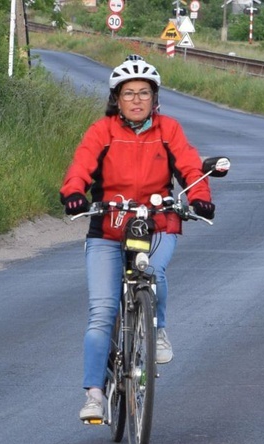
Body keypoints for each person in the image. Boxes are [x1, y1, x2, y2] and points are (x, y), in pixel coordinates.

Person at [59, 55, 215, 421]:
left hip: (156, 223)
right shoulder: (102, 131)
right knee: (101, 313)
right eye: (128, 93)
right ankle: (95, 393)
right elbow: (80, 166)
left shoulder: (168, 130)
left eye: (144, 92)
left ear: (154, 97)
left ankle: (157, 331)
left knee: (153, 273)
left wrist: (200, 198)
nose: (136, 100)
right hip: (108, 229)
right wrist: (74, 193)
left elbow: (191, 167)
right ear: (117, 98)